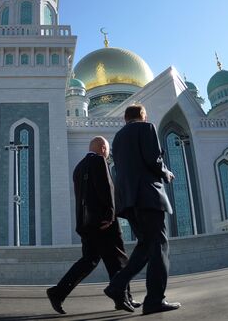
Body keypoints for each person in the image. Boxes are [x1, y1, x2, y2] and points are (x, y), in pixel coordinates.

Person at [45, 137, 140, 314]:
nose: (108, 154)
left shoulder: (78, 167)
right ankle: (123, 298)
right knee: (118, 259)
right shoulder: (98, 160)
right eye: (108, 150)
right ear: (103, 148)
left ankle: (58, 293)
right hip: (103, 222)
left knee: (89, 260)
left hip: (86, 223)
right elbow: (105, 189)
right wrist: (111, 214)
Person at [103, 104, 181, 315]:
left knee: (146, 247)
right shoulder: (146, 128)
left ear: (125, 119)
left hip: (129, 202)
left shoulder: (118, 138)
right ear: (143, 116)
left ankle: (117, 285)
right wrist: (166, 173)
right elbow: (153, 159)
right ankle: (155, 300)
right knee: (160, 247)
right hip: (148, 196)